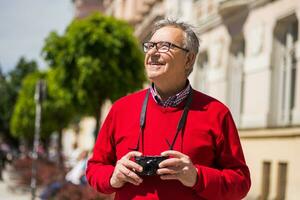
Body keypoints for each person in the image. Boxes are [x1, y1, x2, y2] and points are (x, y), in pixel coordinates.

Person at [86, 19, 251, 200]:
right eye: (150, 46)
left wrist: (197, 176)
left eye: (165, 46)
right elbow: (95, 169)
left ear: (188, 59)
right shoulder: (121, 109)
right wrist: (113, 177)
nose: (153, 53)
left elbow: (240, 183)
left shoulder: (216, 113)